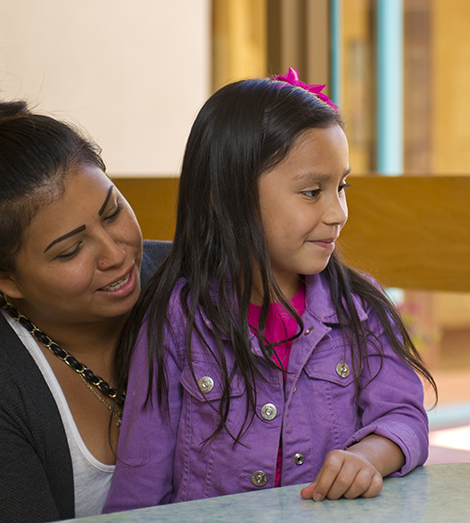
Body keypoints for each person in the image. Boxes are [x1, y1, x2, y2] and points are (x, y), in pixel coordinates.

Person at [103, 70, 433, 510]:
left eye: (342, 187)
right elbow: (141, 482)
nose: (338, 213)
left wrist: (367, 456)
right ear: (226, 198)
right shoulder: (175, 320)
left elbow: (404, 416)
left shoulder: (362, 309)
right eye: (313, 191)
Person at [0, 61, 170, 522]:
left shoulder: (195, 279)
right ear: (5, 277)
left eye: (112, 212)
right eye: (70, 250)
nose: (114, 253)